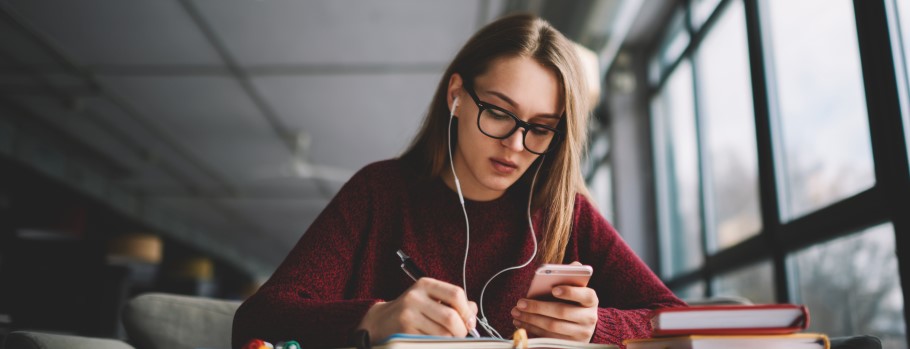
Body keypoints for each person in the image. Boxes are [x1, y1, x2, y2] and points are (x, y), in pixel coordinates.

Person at [232, 13, 686, 349]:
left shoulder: (563, 211)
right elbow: (256, 321)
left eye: (541, 127)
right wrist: (377, 318)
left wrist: (597, 328)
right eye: (498, 113)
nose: (515, 144)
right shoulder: (379, 192)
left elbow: (679, 321)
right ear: (456, 97)